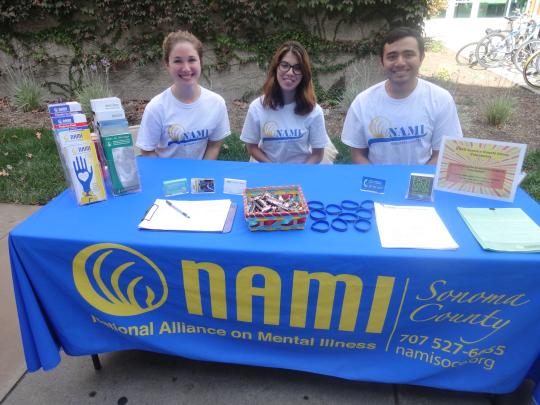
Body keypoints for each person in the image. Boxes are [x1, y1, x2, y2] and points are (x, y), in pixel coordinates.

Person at [341, 27, 463, 165]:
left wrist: (415, 184)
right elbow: (358, 155)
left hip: (419, 182)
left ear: (421, 58)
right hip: (378, 182)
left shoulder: (440, 99)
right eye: (392, 56)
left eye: (408, 54)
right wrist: (379, 184)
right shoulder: (362, 103)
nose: (400, 62)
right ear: (382, 61)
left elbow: (441, 155)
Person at [136, 31, 230, 159]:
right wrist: (168, 177)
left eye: (192, 60)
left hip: (201, 176)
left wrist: (202, 175)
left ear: (200, 62)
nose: (186, 68)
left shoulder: (217, 103)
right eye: (178, 61)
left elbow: (214, 145)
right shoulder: (156, 107)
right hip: (168, 177)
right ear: (167, 64)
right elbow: (147, 151)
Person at [240, 41, 329, 163]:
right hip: (267, 171)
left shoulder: (314, 111)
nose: (290, 72)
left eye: (297, 68)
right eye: (284, 65)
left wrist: (299, 176)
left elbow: (318, 154)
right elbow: (251, 146)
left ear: (304, 74)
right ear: (276, 68)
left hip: (300, 175)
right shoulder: (257, 107)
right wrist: (273, 168)